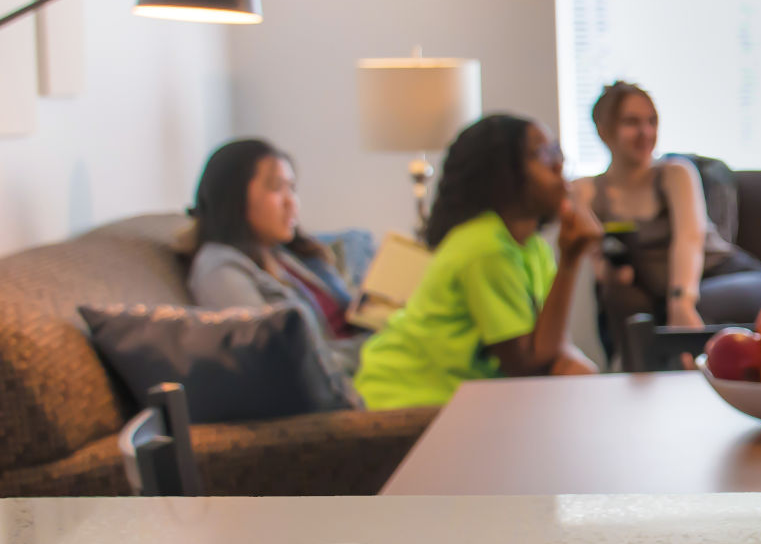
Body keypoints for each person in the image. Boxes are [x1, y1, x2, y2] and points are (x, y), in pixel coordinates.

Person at [356, 114, 600, 411]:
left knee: (579, 377)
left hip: (461, 394)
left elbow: (551, 344)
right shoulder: (485, 247)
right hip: (406, 395)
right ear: (505, 174)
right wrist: (571, 262)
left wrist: (581, 367)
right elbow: (526, 367)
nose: (559, 166)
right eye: (543, 154)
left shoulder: (532, 247)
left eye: (557, 151)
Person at [576, 82, 761, 360]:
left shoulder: (674, 173)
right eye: (631, 122)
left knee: (682, 317)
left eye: (651, 121)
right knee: (640, 316)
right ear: (603, 129)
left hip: (731, 277)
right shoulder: (590, 191)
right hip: (668, 296)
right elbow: (598, 262)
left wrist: (681, 302)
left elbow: (689, 238)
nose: (645, 133)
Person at [187, 138, 362, 378]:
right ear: (233, 196)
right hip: (347, 384)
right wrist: (373, 349)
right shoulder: (220, 268)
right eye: (277, 188)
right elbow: (277, 360)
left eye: (292, 188)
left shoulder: (287, 254)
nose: (291, 202)